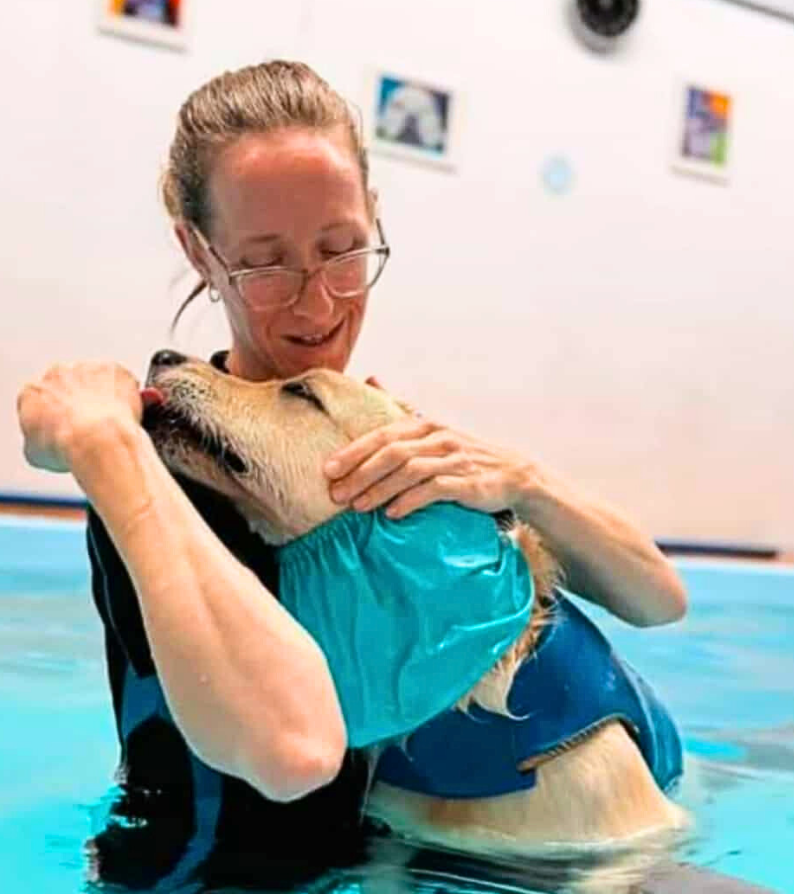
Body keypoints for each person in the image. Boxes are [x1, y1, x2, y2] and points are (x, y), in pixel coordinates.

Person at [16, 60, 687, 891]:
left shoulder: (386, 446)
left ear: (373, 217)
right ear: (199, 249)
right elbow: (292, 753)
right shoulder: (155, 478)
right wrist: (101, 447)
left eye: (342, 251)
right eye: (266, 264)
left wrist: (524, 479)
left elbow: (661, 599)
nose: (316, 306)